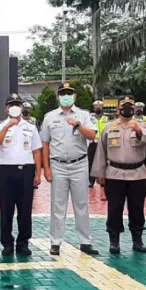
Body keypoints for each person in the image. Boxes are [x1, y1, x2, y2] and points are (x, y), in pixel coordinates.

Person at [41, 82, 99, 256]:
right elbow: (45, 142)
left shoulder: (84, 114)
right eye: (63, 93)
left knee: (81, 204)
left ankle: (85, 241)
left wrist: (78, 125)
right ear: (58, 96)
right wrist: (46, 168)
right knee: (58, 206)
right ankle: (55, 242)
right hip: (58, 164)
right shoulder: (50, 117)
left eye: (69, 93)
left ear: (74, 96)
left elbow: (92, 135)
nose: (66, 96)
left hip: (79, 164)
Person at [91, 97, 146, 254]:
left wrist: (138, 131)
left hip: (137, 174)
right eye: (124, 107)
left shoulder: (142, 125)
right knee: (114, 208)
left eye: (130, 107)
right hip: (114, 174)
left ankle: (137, 240)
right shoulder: (109, 127)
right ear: (118, 110)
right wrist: (99, 173)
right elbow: (101, 151)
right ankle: (114, 240)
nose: (127, 109)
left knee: (137, 208)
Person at [0, 93, 42, 256]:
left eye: (17, 104)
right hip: (6, 171)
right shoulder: (0, 126)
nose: (15, 107)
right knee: (6, 210)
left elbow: (36, 151)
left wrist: (38, 173)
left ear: (22, 107)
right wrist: (7, 127)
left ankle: (23, 243)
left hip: (26, 171)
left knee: (25, 209)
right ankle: (7, 243)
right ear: (6, 108)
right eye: (11, 104)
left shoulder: (30, 126)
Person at [88, 100, 108, 188]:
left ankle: (103, 179)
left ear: (102, 108)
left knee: (104, 162)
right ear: (93, 108)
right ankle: (91, 181)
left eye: (99, 107)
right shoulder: (90, 118)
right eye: (96, 107)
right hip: (93, 142)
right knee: (91, 162)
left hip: (104, 143)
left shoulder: (106, 118)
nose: (98, 109)